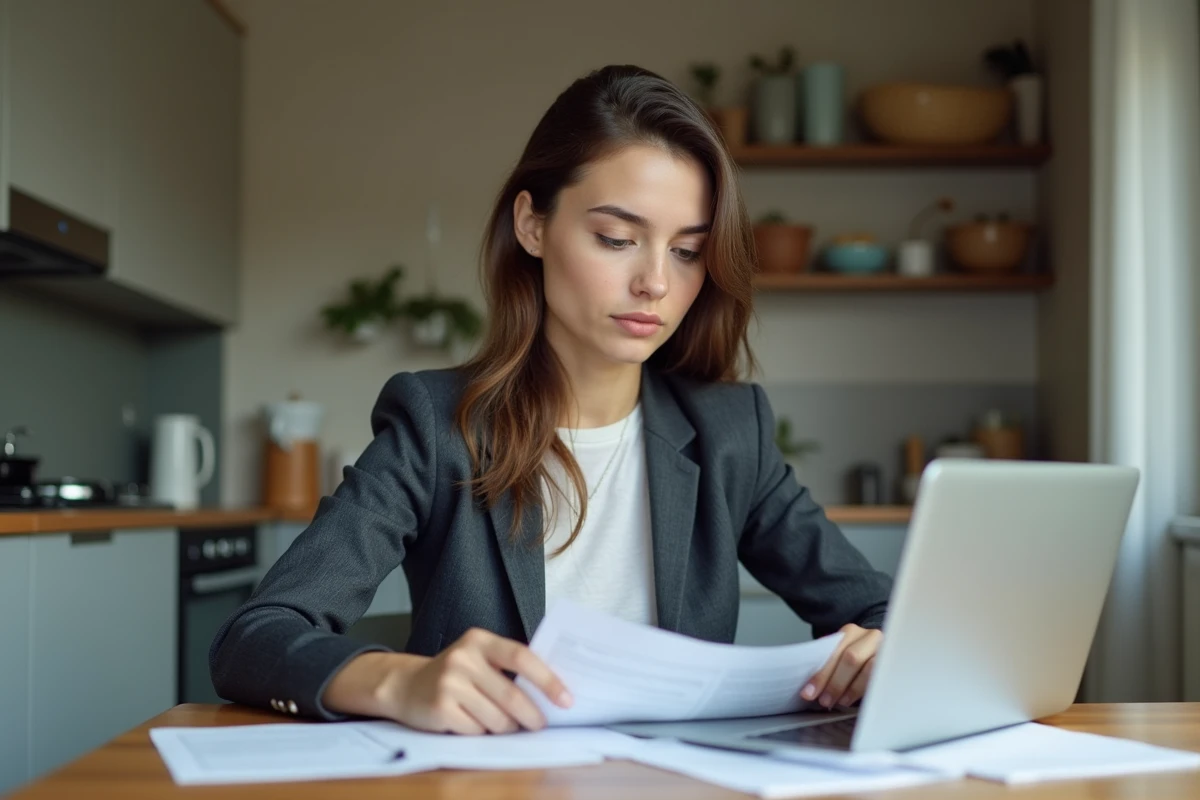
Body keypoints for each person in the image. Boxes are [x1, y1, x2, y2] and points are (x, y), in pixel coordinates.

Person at [210, 64, 892, 736]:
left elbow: (881, 610)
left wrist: (884, 647)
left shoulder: (727, 432)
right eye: (617, 239)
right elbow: (256, 636)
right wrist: (396, 679)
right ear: (533, 225)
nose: (655, 281)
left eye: (687, 252)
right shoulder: (437, 426)